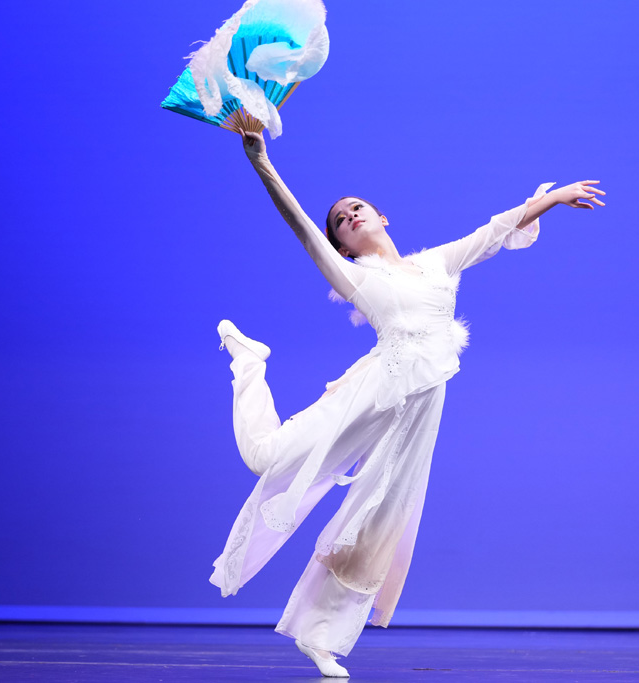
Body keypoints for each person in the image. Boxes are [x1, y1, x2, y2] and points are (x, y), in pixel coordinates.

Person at [210, 129, 605, 677]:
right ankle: (249, 362)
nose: (349, 215)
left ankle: (321, 637)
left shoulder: (437, 263)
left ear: (382, 217)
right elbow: (300, 225)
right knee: (264, 458)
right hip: (370, 394)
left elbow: (495, 231)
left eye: (356, 207)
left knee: (381, 521)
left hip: (418, 411)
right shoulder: (353, 276)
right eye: (340, 220)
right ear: (342, 246)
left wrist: (555, 198)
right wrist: (262, 162)